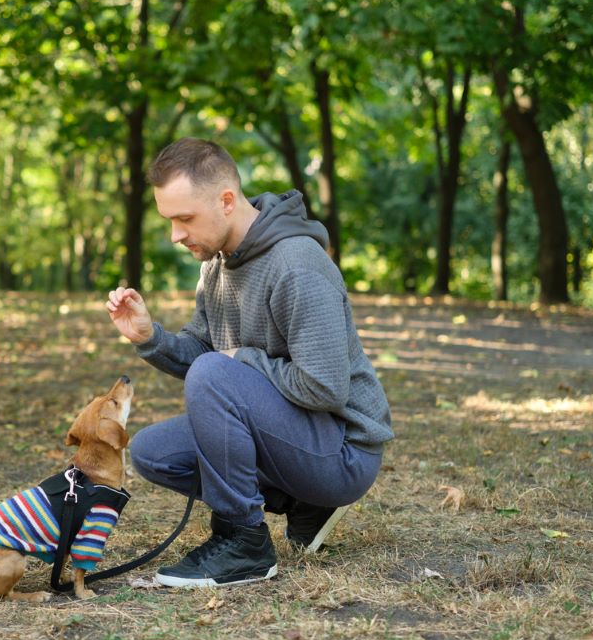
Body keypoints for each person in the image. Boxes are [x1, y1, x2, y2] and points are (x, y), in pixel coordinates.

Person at [105, 137, 393, 588]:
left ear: (225, 201)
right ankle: (303, 504)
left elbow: (325, 388)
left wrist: (244, 358)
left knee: (216, 375)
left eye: (184, 219)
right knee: (153, 453)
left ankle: (245, 543)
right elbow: (208, 362)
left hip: (341, 450)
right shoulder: (217, 266)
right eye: (169, 220)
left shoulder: (296, 265)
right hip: (296, 436)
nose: (175, 235)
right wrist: (150, 337)